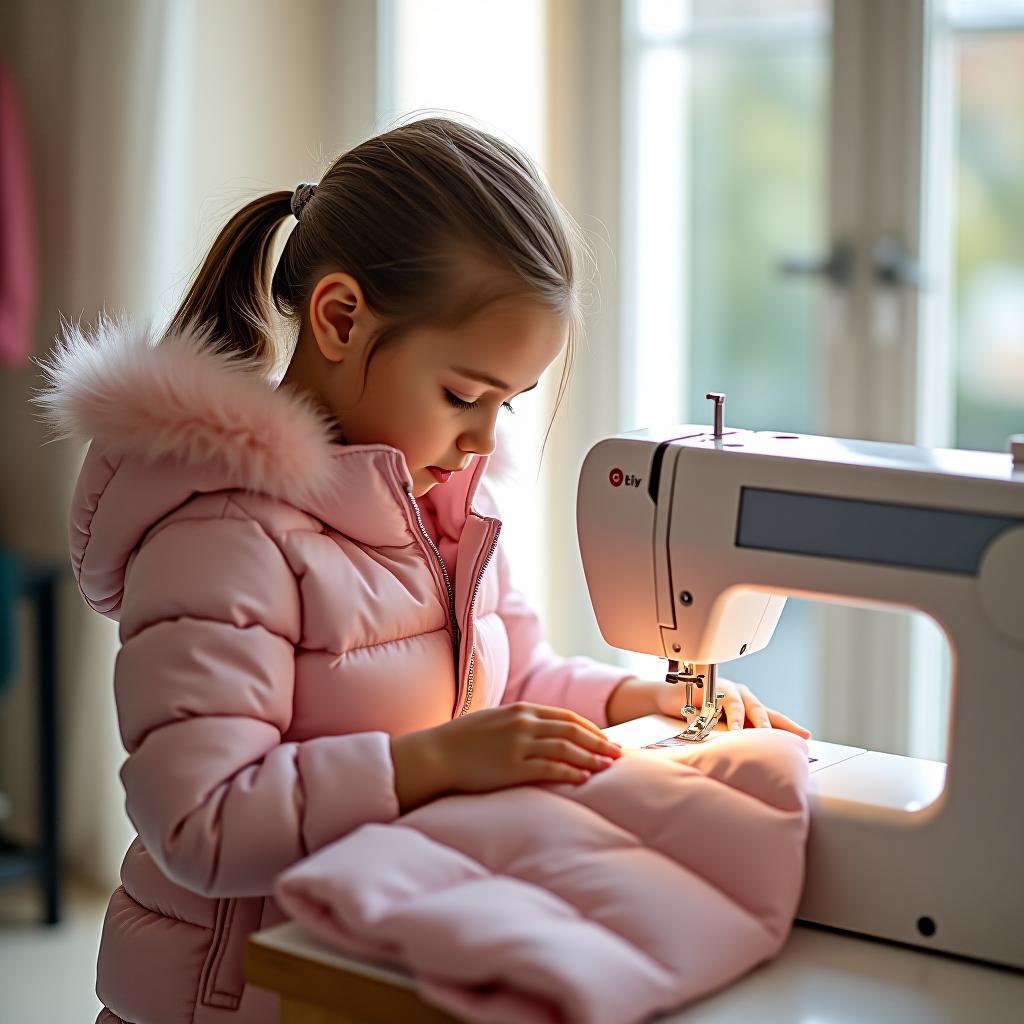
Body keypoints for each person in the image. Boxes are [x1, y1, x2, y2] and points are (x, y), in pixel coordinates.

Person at [36, 116, 810, 1024]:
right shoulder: (224, 540)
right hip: (245, 995)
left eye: (508, 406)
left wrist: (634, 701)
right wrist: (429, 763)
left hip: (376, 957)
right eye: (464, 395)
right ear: (338, 318)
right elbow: (198, 823)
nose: (485, 438)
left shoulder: (447, 512)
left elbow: (514, 679)